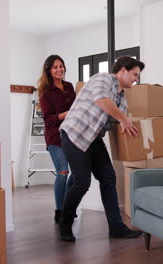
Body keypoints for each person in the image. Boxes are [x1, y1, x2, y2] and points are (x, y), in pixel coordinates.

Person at [58, 56, 145, 242]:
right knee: (82, 181)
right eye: (134, 74)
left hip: (94, 139)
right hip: (75, 133)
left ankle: (116, 227)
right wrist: (123, 119)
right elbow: (100, 100)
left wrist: (127, 125)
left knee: (108, 178)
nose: (136, 79)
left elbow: (117, 121)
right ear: (122, 70)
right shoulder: (103, 78)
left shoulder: (122, 99)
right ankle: (65, 222)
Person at [38, 55, 74, 224]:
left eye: (61, 66)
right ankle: (59, 211)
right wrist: (64, 115)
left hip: (71, 135)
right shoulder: (46, 92)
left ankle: (68, 207)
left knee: (78, 173)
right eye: (55, 67)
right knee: (63, 171)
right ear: (49, 71)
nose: (59, 70)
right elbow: (48, 119)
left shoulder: (69, 87)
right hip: (55, 138)